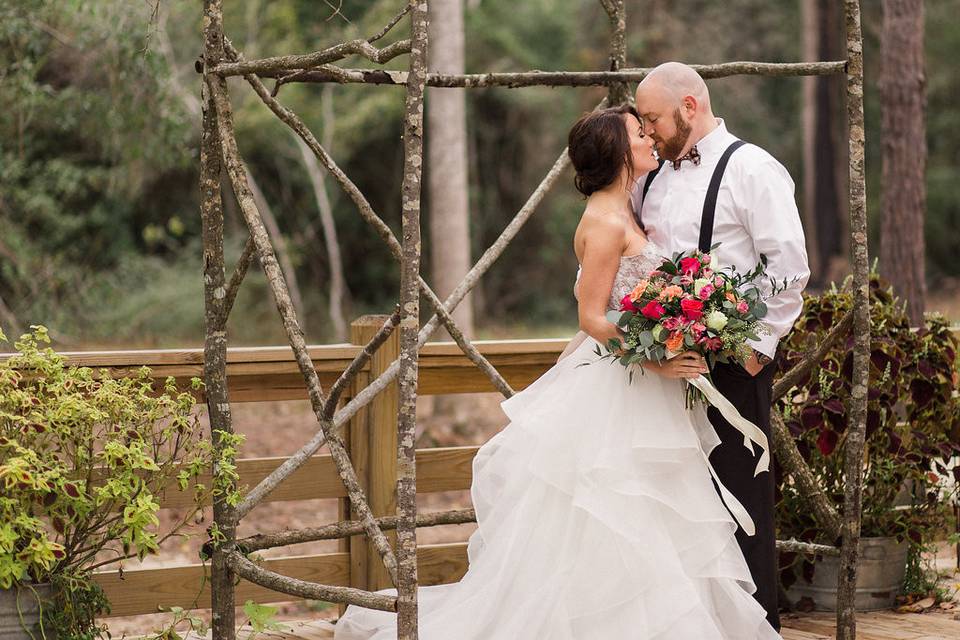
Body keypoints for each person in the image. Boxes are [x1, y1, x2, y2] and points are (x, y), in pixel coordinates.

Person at [334, 105, 781, 639]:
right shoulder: (605, 222)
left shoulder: (630, 209)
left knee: (652, 513)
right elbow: (592, 317)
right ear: (620, 152)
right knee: (613, 508)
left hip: (642, 387)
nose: (650, 138)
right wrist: (657, 360)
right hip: (621, 386)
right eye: (640, 133)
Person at [633, 61, 811, 632]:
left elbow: (788, 267)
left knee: (739, 505)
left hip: (733, 365)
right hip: (661, 372)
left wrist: (755, 347)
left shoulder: (753, 169)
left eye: (653, 117)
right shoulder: (649, 180)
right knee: (672, 505)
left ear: (690, 105)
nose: (648, 129)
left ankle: (753, 628)